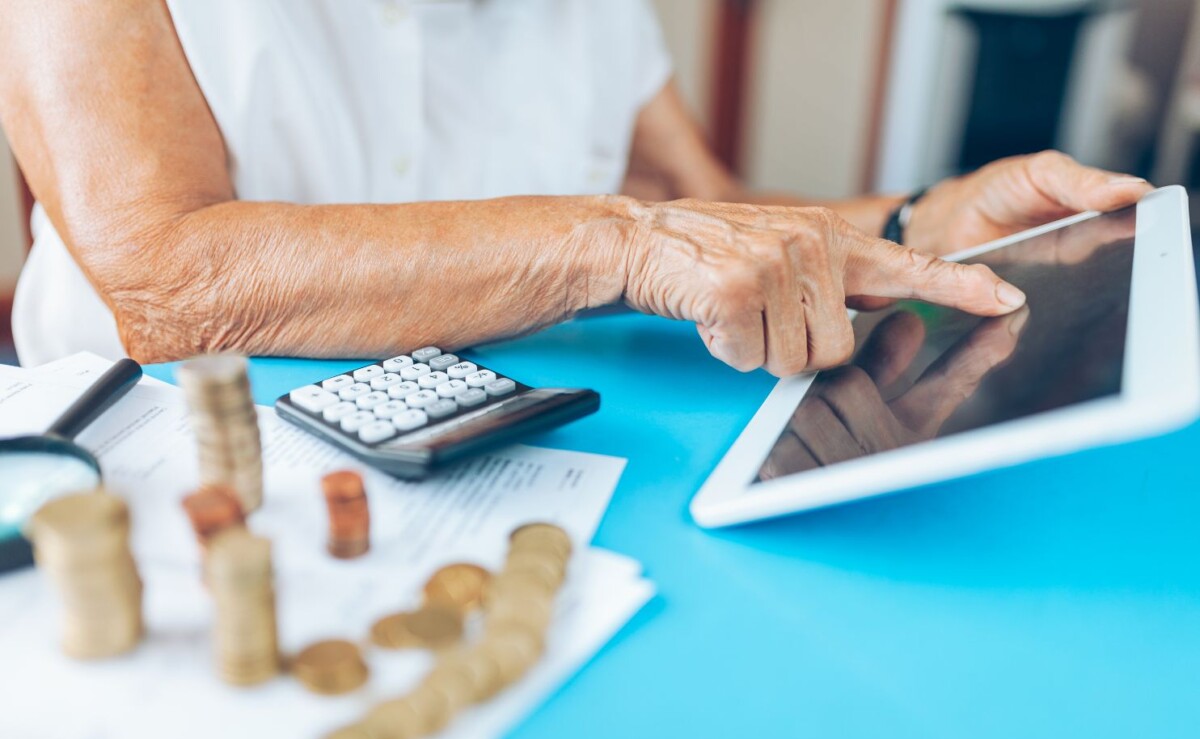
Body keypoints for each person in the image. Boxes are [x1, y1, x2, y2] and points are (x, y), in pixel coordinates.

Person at [0, 0, 1150, 372]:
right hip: (147, 477)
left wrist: (920, 222)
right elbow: (171, 280)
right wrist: (617, 243)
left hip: (496, 462)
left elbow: (706, 211)